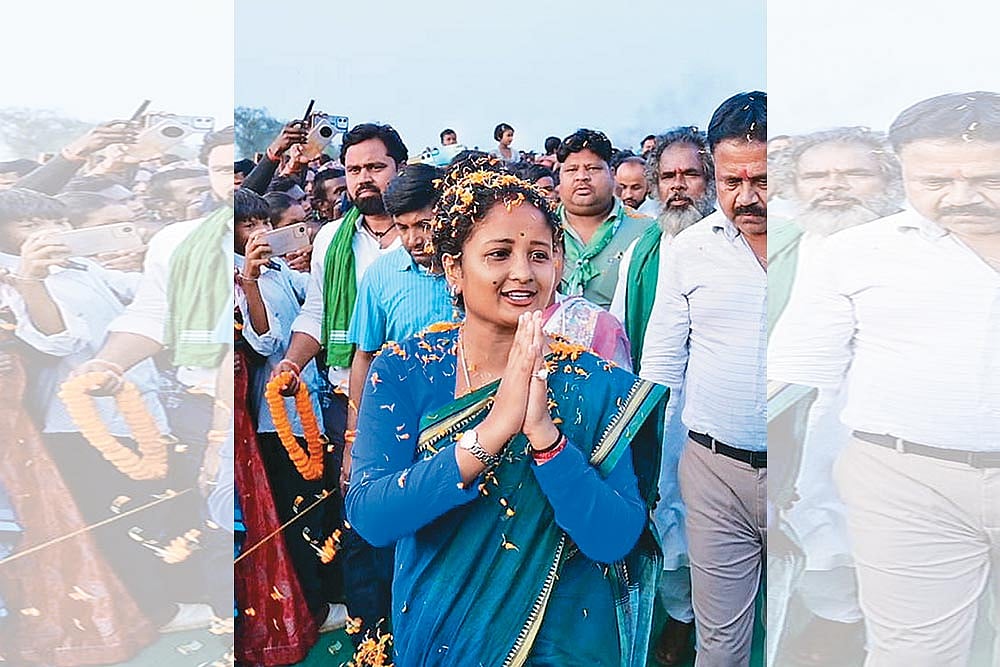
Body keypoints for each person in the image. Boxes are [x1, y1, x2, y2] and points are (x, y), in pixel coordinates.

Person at [346, 155, 668, 665]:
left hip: (565, 642)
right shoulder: (405, 368)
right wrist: (492, 433)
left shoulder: (594, 383)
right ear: (453, 268)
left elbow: (615, 539)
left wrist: (546, 438)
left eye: (539, 255)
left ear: (558, 265)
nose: (522, 273)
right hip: (445, 635)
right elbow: (370, 516)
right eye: (498, 254)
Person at [769, 91, 1000, 667]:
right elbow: (799, 380)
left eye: (987, 179)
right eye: (936, 181)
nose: (962, 197)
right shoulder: (855, 254)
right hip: (906, 485)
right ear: (904, 171)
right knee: (913, 653)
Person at [640, 92, 767, 667]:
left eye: (762, 179)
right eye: (732, 181)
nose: (746, 199)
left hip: (816, 476)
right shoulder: (691, 249)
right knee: (720, 644)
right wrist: (645, 468)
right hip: (715, 474)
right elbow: (661, 370)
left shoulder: (832, 244)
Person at [277, 122, 407, 643]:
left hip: (422, 400)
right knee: (358, 524)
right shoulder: (333, 237)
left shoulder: (428, 231)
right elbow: (316, 313)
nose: (363, 179)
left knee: (422, 519)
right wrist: (290, 363)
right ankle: (371, 634)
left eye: (375, 167)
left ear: (399, 168)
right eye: (354, 170)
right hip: (345, 400)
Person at [609, 126, 717, 666]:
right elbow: (626, 332)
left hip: (720, 415)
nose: (678, 187)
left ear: (711, 180)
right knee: (667, 519)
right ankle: (681, 620)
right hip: (659, 410)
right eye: (669, 176)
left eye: (690, 175)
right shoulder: (642, 253)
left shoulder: (732, 246)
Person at [556, 128, 653, 309]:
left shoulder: (647, 231)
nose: (582, 177)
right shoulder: (540, 227)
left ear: (612, 173)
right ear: (560, 178)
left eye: (593, 168)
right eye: (571, 169)